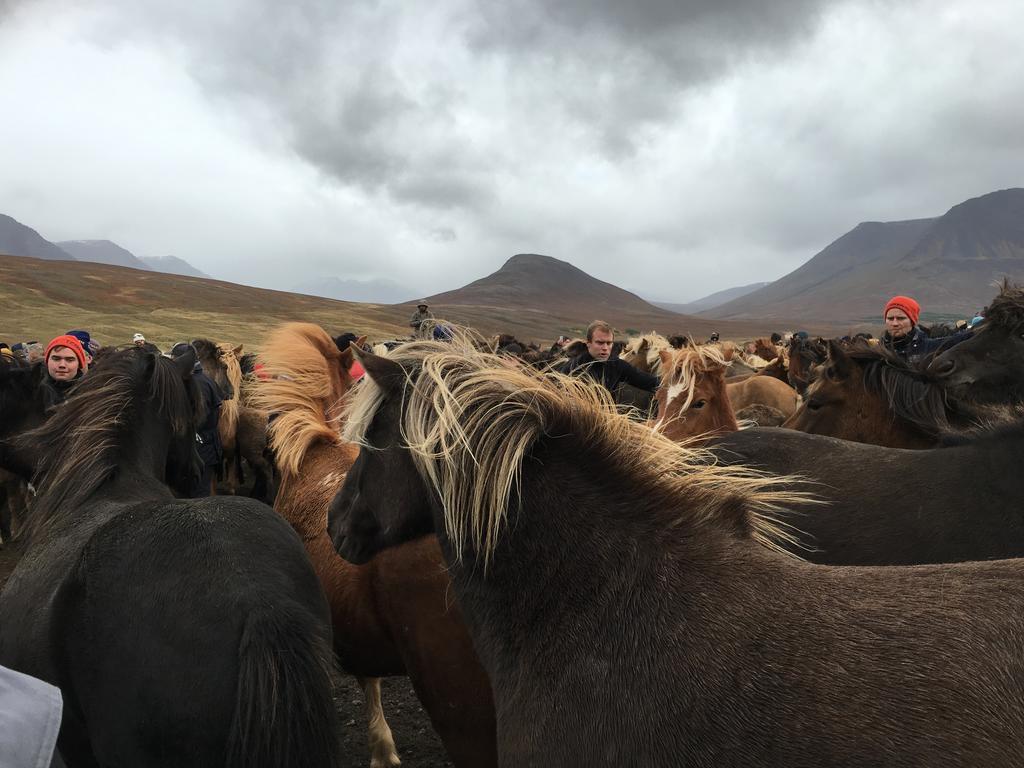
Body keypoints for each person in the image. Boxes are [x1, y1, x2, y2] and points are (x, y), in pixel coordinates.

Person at [170, 342, 223, 498]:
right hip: (206, 446)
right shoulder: (205, 380)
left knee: (196, 496)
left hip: (200, 448)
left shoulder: (194, 383)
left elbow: (200, 418)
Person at [557, 320, 659, 395]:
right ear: (588, 343)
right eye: (600, 343)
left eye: (609, 343)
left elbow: (648, 382)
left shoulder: (616, 364)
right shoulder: (572, 368)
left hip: (608, 420)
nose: (605, 348)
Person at [881, 295, 969, 364]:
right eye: (890, 318)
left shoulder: (930, 348)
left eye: (901, 318)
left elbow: (964, 339)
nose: (895, 323)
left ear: (912, 321)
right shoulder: (878, 351)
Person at [41, 334, 88, 408]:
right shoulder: (29, 391)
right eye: (56, 359)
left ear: (79, 364)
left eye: (69, 360)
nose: (62, 365)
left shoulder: (89, 396)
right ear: (47, 361)